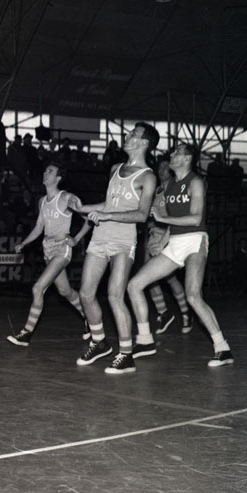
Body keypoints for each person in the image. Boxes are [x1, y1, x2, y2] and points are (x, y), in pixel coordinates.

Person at [127, 142, 234, 368]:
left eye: (177, 152)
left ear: (187, 159)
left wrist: (162, 218)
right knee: (134, 285)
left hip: (195, 240)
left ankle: (222, 348)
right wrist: (162, 243)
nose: (172, 155)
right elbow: (171, 224)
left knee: (193, 295)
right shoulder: (170, 186)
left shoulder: (195, 182)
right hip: (174, 243)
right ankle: (145, 340)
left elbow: (195, 218)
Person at [71, 122, 158, 374]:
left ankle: (126, 354)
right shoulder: (115, 168)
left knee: (114, 295)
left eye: (134, 134)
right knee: (86, 294)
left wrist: (107, 216)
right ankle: (99, 342)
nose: (128, 136)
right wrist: (81, 207)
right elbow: (108, 204)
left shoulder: (148, 177)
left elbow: (142, 215)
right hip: (100, 238)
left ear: (144, 143)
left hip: (123, 241)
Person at [7, 163, 91, 347]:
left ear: (58, 178)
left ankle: (26, 334)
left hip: (62, 249)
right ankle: (90, 318)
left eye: (50, 171)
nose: (45, 173)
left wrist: (76, 239)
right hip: (48, 249)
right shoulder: (42, 201)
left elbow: (89, 219)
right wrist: (24, 243)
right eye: (45, 170)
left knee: (38, 288)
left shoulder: (67, 198)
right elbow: (39, 227)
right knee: (65, 291)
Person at [143, 157, 192, 335]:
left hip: (167, 237)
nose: (161, 169)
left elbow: (174, 219)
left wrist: (162, 242)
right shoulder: (155, 191)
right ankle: (163, 312)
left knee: (170, 278)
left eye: (165, 167)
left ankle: (186, 313)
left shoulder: (174, 190)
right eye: (160, 167)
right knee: (148, 278)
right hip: (152, 237)